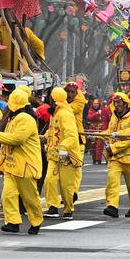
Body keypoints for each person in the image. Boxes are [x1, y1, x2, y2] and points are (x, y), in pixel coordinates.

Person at [0, 85, 44, 234]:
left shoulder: (25, 119)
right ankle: (12, 222)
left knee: (30, 197)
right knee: (8, 195)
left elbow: (18, 139)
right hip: (12, 165)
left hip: (26, 166)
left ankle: (36, 222)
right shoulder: (13, 118)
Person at [102, 91, 130, 217]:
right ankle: (112, 206)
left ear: (125, 104)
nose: (116, 105)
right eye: (114, 102)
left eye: (119, 102)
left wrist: (113, 148)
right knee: (112, 181)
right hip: (115, 157)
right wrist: (98, 135)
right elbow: (110, 132)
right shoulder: (114, 116)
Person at [43, 87, 84, 219]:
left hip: (66, 155)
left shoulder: (64, 114)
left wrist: (62, 148)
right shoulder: (55, 113)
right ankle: (53, 207)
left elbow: (72, 136)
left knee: (66, 185)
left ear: (55, 99)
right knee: (49, 180)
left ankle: (68, 209)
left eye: (51, 97)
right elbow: (53, 130)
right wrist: (43, 137)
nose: (49, 99)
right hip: (54, 155)